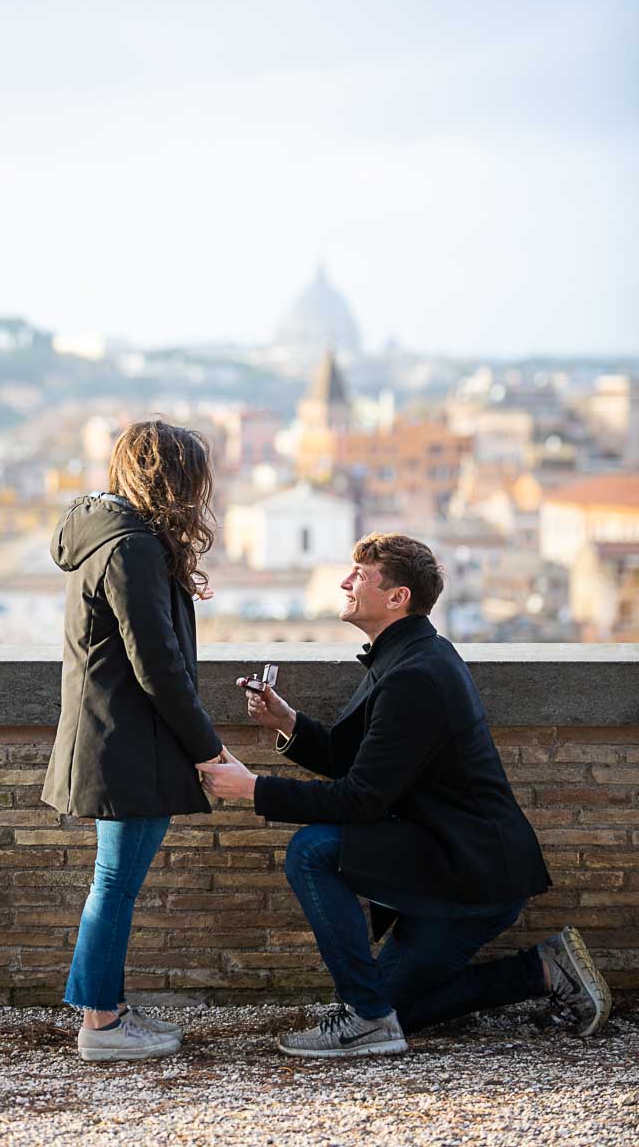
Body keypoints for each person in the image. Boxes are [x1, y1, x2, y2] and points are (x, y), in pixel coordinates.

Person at [198, 532, 612, 1059]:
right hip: (448, 858)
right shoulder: (407, 655)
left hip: (469, 874)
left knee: (313, 853)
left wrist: (253, 789)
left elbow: (360, 799)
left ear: (398, 598)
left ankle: (368, 1019)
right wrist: (289, 723)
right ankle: (542, 969)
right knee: (395, 1010)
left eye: (360, 576)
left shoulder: (415, 672)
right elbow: (368, 767)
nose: (345, 582)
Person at [42, 420, 224, 1061]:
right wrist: (210, 749)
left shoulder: (111, 538)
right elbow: (159, 665)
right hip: (126, 746)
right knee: (114, 882)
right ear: (171, 477)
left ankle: (105, 1007)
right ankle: (101, 1024)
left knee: (112, 880)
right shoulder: (131, 547)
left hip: (117, 740)